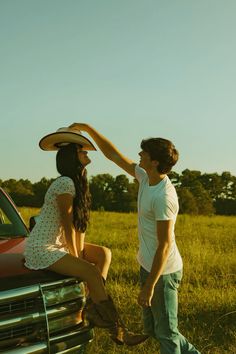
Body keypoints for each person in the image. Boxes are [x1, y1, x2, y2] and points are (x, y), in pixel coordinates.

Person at [70, 123, 201, 354]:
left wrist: (149, 286)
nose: (139, 154)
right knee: (157, 329)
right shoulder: (144, 176)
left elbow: (164, 245)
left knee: (167, 334)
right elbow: (112, 155)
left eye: (144, 153)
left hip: (163, 272)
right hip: (147, 265)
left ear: (155, 162)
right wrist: (88, 129)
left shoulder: (164, 197)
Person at [24, 127, 149, 346]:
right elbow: (66, 221)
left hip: (58, 244)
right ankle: (118, 331)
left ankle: (91, 305)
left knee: (103, 254)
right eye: (83, 152)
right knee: (90, 271)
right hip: (43, 248)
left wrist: (79, 251)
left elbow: (78, 227)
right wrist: (77, 256)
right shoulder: (64, 182)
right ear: (73, 157)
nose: (87, 155)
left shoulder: (77, 183)